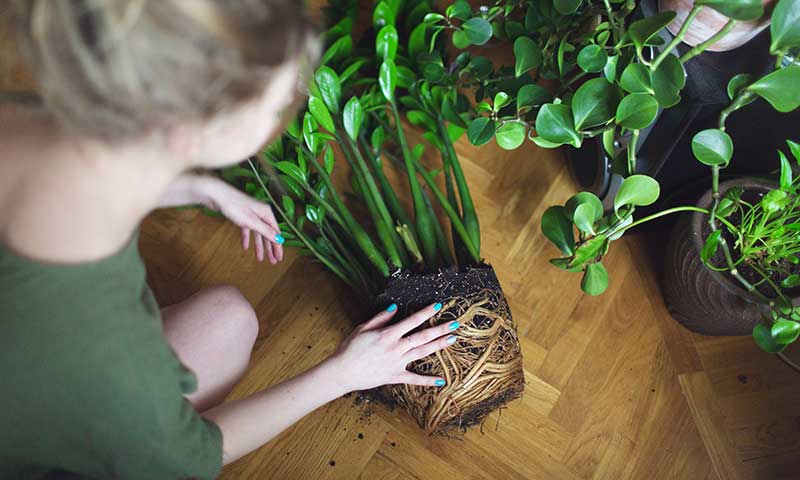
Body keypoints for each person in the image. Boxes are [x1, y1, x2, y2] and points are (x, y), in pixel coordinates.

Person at [0, 2, 461, 479]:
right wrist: (343, 374)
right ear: (191, 131)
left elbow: (83, 184)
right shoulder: (114, 356)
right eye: (278, 102)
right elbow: (190, 459)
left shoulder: (25, 116)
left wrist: (195, 186)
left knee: (228, 321)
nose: (291, 105)